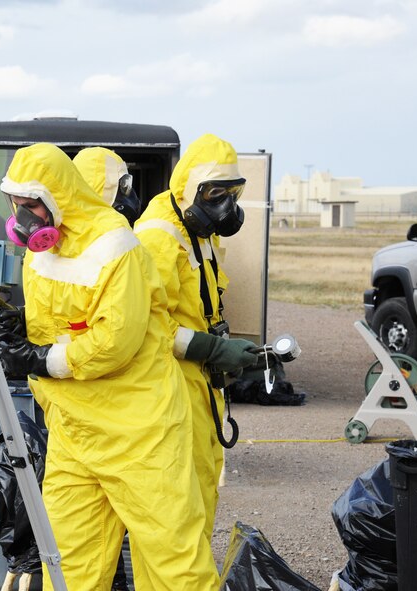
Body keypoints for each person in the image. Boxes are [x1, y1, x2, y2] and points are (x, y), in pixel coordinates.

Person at [0, 142, 219, 590]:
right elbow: (55, 320)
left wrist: (42, 360)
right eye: (16, 204)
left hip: (138, 431)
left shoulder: (115, 243)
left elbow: (116, 339)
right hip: (75, 432)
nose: (24, 217)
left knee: (173, 559)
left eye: (31, 204)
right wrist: (18, 325)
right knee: (70, 562)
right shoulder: (42, 249)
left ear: (58, 196)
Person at [134, 133, 259, 542]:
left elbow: (204, 304)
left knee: (203, 489)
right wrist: (214, 348)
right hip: (170, 385)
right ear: (189, 188)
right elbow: (149, 327)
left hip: (200, 381)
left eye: (231, 193)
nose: (224, 205)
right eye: (214, 193)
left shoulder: (201, 235)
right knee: (179, 506)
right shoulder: (157, 237)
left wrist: (222, 352)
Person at [73, 145, 140, 591]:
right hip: (106, 413)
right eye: (124, 187)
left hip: (111, 409)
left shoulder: (119, 242)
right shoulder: (120, 244)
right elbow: (116, 336)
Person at [73, 146, 141, 227]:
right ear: (107, 185)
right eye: (122, 184)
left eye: (126, 183)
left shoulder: (60, 228)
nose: (129, 192)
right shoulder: (117, 233)